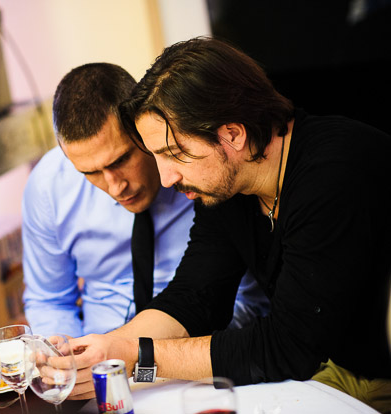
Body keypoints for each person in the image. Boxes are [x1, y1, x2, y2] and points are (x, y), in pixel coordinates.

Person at [68, 38, 391, 412]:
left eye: (174, 154)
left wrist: (140, 358)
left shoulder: (334, 173)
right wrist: (104, 351)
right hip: (337, 365)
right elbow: (195, 297)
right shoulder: (227, 186)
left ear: (232, 134)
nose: (166, 178)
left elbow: (289, 346)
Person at [22, 62, 269, 338]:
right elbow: (49, 301)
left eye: (121, 160)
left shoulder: (207, 173)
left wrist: (162, 352)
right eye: (90, 173)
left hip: (198, 342)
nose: (115, 186)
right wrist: (68, 353)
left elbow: (249, 302)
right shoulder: (48, 186)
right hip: (99, 350)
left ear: (142, 127)